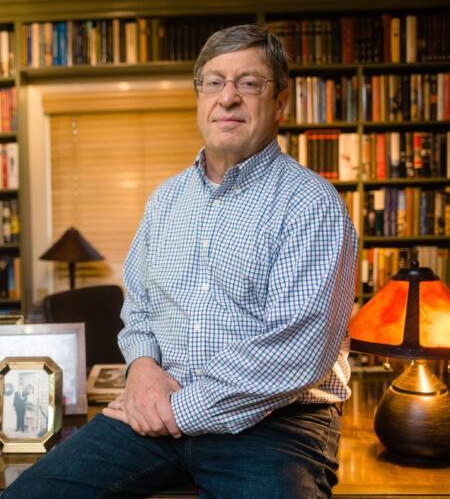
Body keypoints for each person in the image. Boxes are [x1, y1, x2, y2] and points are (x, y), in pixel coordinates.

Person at [4, 24, 358, 499]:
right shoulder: (165, 200)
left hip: (275, 426)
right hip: (155, 407)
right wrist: (141, 367)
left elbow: (299, 349)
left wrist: (177, 410)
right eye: (214, 82)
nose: (227, 97)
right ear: (200, 97)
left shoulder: (312, 204)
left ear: (281, 102)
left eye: (249, 83)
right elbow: (140, 308)